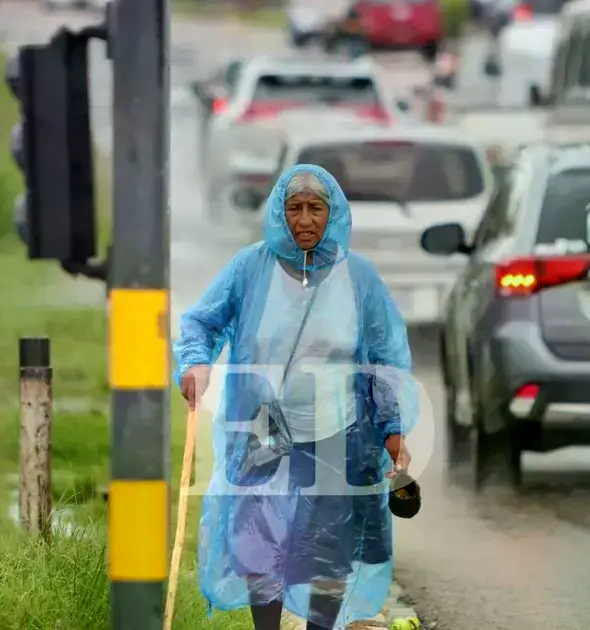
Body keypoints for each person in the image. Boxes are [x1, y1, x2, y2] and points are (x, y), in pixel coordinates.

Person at [174, 164, 417, 630]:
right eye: (295, 208)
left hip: (336, 433)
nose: (305, 220)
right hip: (263, 429)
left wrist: (392, 430)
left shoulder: (358, 278)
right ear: (279, 213)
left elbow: (385, 360)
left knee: (326, 551)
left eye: (316, 208)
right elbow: (201, 322)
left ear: (333, 213)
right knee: (259, 543)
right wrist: (195, 363)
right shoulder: (250, 267)